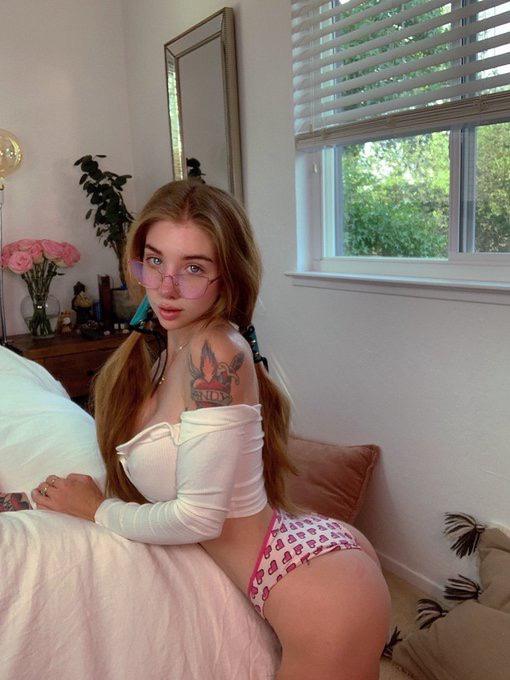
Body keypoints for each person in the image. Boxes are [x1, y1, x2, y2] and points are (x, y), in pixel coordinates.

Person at [32, 180, 391, 680]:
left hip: (318, 592)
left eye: (194, 268)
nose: (167, 287)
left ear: (229, 276)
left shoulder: (215, 351)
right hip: (301, 550)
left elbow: (198, 519)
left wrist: (97, 510)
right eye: (155, 261)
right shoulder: (164, 349)